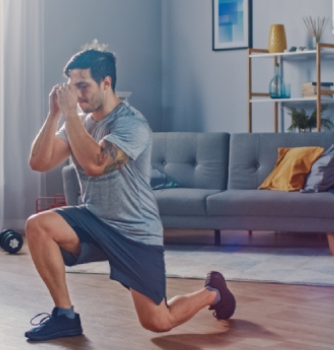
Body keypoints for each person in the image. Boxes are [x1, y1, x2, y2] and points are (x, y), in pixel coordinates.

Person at [25, 45, 236, 342]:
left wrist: (70, 114)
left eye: (83, 86)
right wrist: (55, 114)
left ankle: (213, 292)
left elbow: (96, 164)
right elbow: (39, 162)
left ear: (106, 83)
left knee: (159, 322)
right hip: (94, 220)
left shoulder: (131, 123)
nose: (77, 94)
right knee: (38, 225)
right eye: (72, 88)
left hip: (135, 233)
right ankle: (65, 316)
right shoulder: (79, 123)